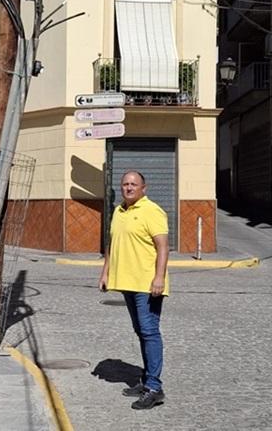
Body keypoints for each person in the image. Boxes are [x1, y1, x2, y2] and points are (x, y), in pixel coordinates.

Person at [98, 170, 169, 410]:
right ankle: (146, 380)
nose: (129, 188)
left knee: (150, 331)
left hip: (147, 284)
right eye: (125, 184)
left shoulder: (152, 211)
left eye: (134, 184)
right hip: (127, 282)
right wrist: (106, 272)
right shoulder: (119, 211)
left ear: (143, 188)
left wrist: (159, 277)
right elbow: (111, 243)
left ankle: (154, 388)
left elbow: (163, 247)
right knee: (141, 331)